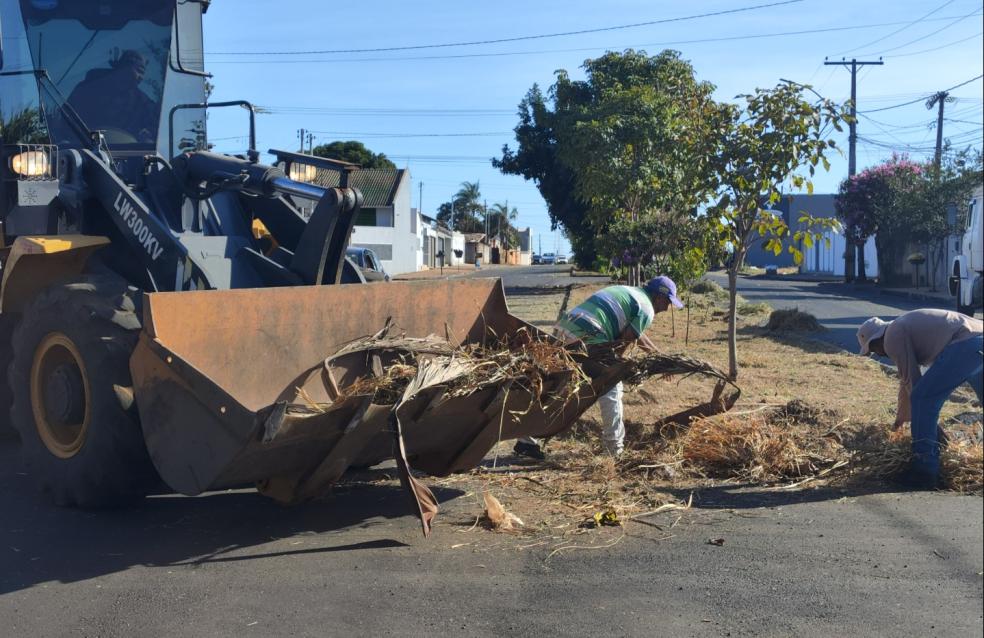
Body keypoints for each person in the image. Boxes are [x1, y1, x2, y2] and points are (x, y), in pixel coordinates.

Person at [514, 275, 684, 460]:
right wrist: (615, 368)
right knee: (612, 387)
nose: (667, 308)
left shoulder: (632, 293)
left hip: (566, 328)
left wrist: (661, 358)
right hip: (587, 336)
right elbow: (624, 340)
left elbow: (638, 335)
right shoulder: (647, 308)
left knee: (559, 387)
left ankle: (526, 441)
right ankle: (614, 449)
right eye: (668, 302)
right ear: (659, 297)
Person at [856, 309, 983, 488]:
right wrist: (901, 419)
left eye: (873, 349)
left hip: (965, 345)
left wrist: (929, 428)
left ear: (877, 339)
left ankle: (924, 471)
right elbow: (906, 380)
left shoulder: (892, 335)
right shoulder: (904, 326)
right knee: (922, 397)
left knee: (923, 399)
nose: (878, 353)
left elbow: (915, 388)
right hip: (978, 340)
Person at [66, 49, 156, 143]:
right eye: (139, 71)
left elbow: (154, 123)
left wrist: (148, 134)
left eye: (143, 73)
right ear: (124, 66)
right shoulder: (88, 88)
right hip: (82, 150)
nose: (141, 77)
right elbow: (66, 118)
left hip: (127, 152)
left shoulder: (142, 102)